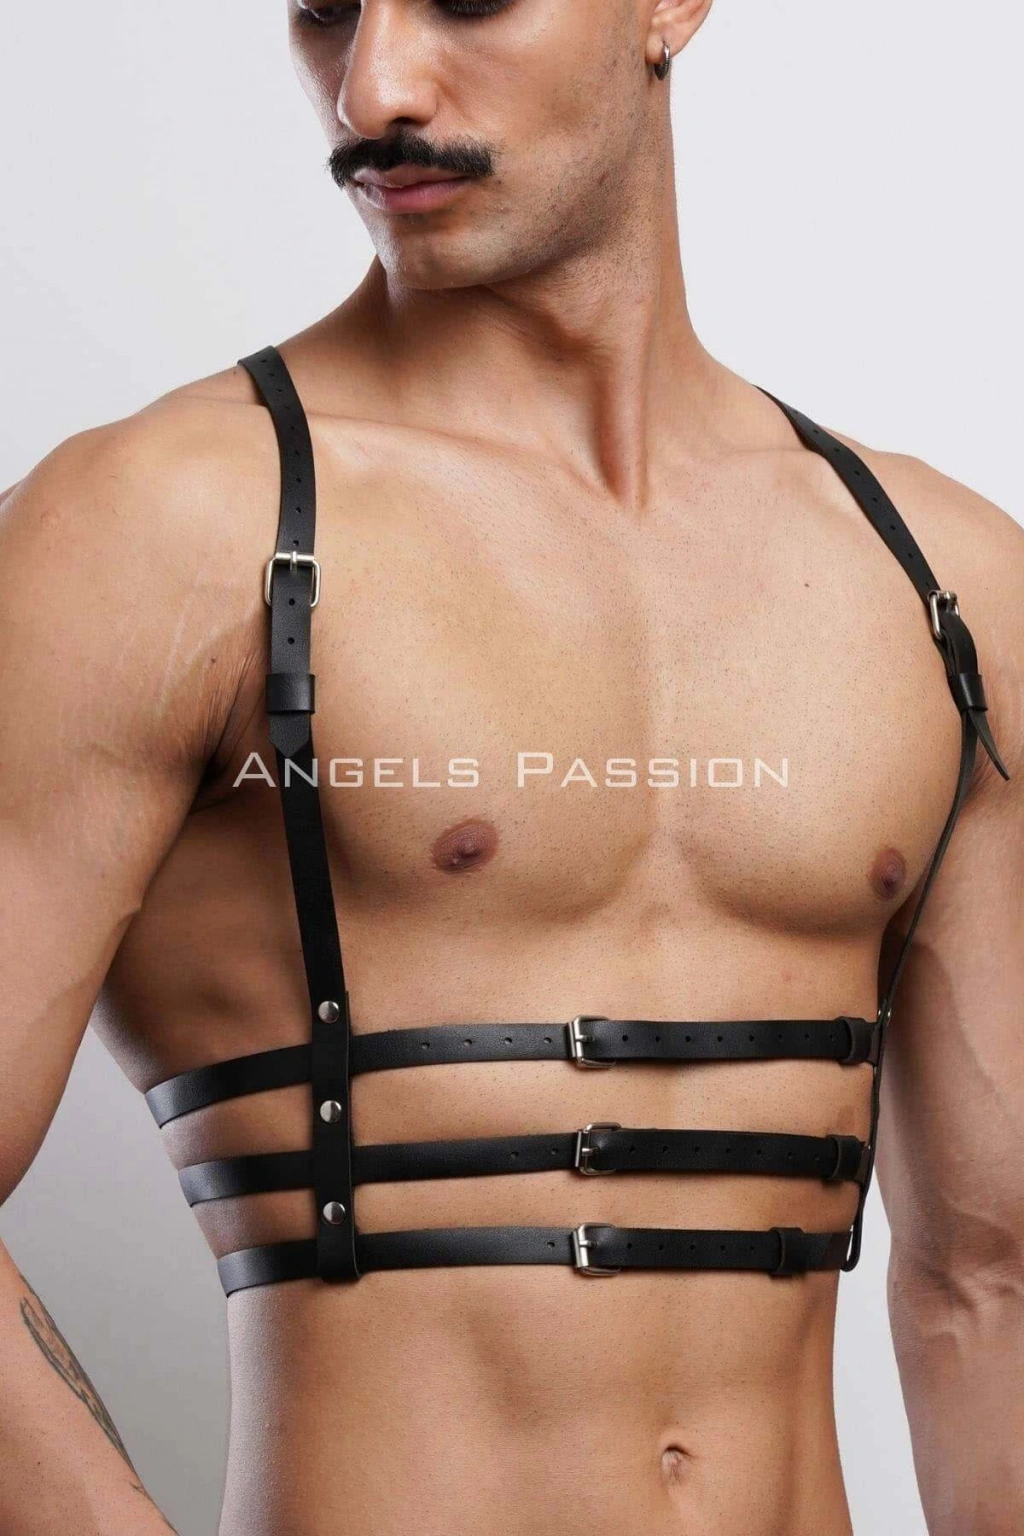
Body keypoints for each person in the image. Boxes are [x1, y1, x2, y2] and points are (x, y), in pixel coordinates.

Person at [1, 1, 1022, 1533]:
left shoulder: (943, 582)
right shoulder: (160, 530)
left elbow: (988, 1280)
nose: (372, 88)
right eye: (325, 10)